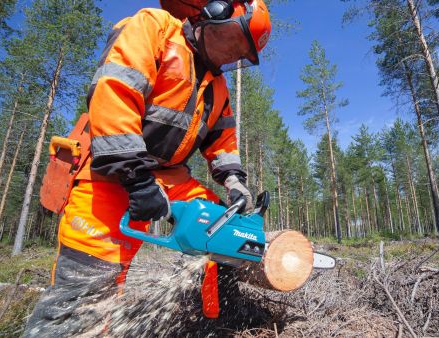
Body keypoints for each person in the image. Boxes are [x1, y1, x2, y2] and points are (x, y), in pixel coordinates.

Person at [24, 0, 271, 336]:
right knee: (91, 278)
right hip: (110, 166)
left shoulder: (217, 86)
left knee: (224, 227)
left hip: (168, 175)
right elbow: (115, 95)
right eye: (234, 43)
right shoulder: (155, 29)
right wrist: (137, 179)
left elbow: (222, 142)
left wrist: (234, 182)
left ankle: (215, 310)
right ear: (215, 13)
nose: (233, 56)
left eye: (242, 55)